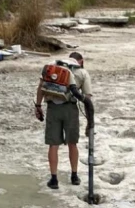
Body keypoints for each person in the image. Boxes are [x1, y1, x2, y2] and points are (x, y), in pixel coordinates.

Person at [34, 52, 93, 189]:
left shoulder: (52, 67)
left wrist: (38, 106)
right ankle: (74, 176)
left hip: (53, 109)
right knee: (73, 143)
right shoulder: (82, 73)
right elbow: (87, 97)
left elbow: (41, 88)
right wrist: (90, 121)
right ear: (81, 61)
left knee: (53, 145)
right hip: (70, 110)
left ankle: (54, 179)